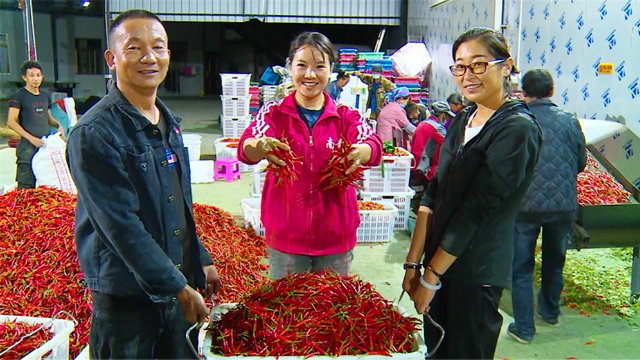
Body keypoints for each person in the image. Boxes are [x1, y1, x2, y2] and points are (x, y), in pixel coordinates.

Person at [65, 10, 220, 359]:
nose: (149, 57)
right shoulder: (94, 134)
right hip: (126, 302)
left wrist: (199, 259)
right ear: (112, 58)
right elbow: (121, 226)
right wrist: (178, 287)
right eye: (134, 48)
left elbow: (178, 206)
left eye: (159, 47)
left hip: (174, 289)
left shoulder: (169, 124)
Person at [402, 27, 543, 359]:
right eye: (460, 66)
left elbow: (476, 210)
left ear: (506, 66)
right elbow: (434, 193)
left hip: (474, 273)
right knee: (437, 352)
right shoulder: (464, 118)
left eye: (479, 64)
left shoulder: (516, 129)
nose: (468, 75)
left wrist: (431, 278)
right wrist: (413, 264)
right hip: (439, 264)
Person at [237, 31, 382, 280]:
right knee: (288, 311)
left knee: (331, 314)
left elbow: (374, 144)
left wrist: (360, 151)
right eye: (301, 65)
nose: (310, 74)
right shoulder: (273, 113)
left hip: (336, 237)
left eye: (319, 66)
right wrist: (260, 146)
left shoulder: (346, 115)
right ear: (290, 67)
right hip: (286, 239)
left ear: (331, 70)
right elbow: (245, 148)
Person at [508, 69, 586, 344]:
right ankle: (550, 312)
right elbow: (581, 163)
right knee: (555, 261)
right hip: (563, 206)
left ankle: (525, 330)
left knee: (521, 267)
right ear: (552, 91)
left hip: (525, 208)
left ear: (523, 93)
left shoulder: (517, 120)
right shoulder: (568, 120)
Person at [7, 60, 64, 189]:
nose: (35, 79)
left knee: (47, 185)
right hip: (27, 148)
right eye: (31, 75)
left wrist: (58, 125)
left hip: (44, 146)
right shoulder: (18, 96)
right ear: (24, 77)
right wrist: (31, 138)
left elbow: (48, 117)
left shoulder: (44, 96)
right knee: (26, 185)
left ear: (42, 77)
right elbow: (11, 121)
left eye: (38, 75)